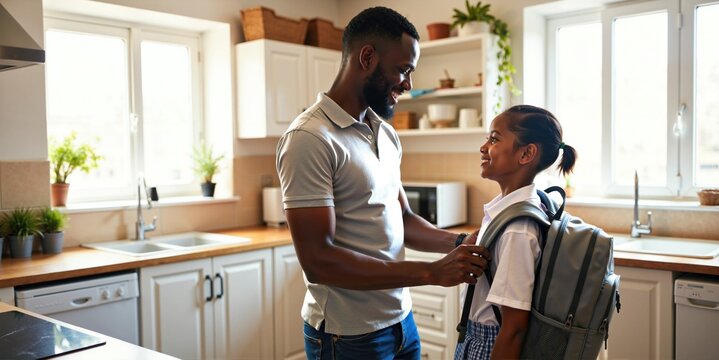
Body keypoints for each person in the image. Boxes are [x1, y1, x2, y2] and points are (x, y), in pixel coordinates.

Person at [276, 6, 492, 360]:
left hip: (400, 322)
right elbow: (318, 259)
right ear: (367, 57)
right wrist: (431, 272)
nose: (408, 84)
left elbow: (402, 218)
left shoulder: (386, 134)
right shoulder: (310, 137)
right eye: (403, 70)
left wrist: (458, 241)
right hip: (348, 335)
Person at [454, 105, 577, 360]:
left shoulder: (518, 230)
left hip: (491, 345)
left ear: (526, 154)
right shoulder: (517, 210)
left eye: (494, 138)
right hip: (478, 338)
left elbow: (514, 328)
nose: (483, 146)